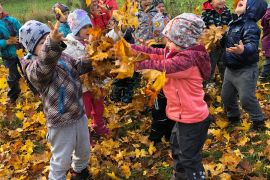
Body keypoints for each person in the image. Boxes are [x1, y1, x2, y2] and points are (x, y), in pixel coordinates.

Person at [132, 13, 212, 179]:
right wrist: (131, 49)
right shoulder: (178, 52)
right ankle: (180, 174)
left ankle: (193, 176)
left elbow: (162, 65)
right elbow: (154, 53)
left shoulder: (187, 61)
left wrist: (134, 64)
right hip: (182, 117)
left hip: (193, 120)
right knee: (177, 146)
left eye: (170, 41)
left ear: (183, 41)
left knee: (189, 157)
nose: (166, 44)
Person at [19, 20, 91, 180]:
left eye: (49, 40)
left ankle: (79, 172)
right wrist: (51, 44)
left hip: (79, 113)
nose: (47, 45)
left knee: (84, 149)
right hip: (60, 122)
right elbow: (44, 66)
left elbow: (76, 67)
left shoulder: (63, 56)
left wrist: (91, 60)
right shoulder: (33, 68)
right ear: (32, 49)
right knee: (62, 159)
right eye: (43, 43)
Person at [222, 0, 267, 131]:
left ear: (253, 8)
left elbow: (252, 45)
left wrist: (243, 50)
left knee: (246, 98)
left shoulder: (251, 26)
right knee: (226, 96)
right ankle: (234, 116)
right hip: (230, 69)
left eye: (245, 1)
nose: (240, 1)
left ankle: (258, 120)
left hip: (246, 70)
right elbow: (228, 42)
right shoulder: (233, 22)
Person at [64, 9, 109, 135]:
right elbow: (69, 65)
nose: (88, 29)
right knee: (85, 111)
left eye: (90, 26)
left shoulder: (93, 40)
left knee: (99, 107)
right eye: (84, 27)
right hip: (82, 86)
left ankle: (99, 125)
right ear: (76, 29)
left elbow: (106, 44)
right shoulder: (68, 45)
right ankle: (84, 134)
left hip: (96, 81)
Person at [202, 0, 232, 83]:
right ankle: (208, 84)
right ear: (211, 2)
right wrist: (211, 33)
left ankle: (226, 84)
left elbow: (231, 24)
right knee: (210, 65)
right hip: (212, 45)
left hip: (224, 43)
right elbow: (203, 28)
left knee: (224, 65)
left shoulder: (227, 11)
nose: (222, 0)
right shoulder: (206, 13)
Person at [0, 3, 22, 104]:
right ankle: (13, 96)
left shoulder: (11, 20)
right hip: (8, 55)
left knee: (27, 71)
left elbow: (22, 29)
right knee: (12, 76)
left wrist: (20, 38)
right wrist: (6, 42)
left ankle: (36, 91)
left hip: (20, 52)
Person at [260, 3, 270, 82]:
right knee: (268, 62)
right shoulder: (267, 15)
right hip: (268, 43)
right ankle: (263, 78)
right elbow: (265, 21)